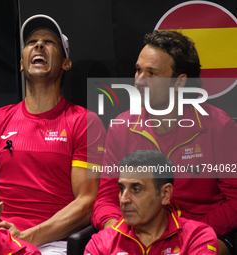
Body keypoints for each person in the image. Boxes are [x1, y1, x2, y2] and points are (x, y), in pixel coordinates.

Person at [91, 30, 237, 255]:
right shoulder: (121, 126)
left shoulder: (219, 126)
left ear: (179, 82)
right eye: (138, 70)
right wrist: (117, 231)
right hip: (136, 235)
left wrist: (187, 232)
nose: (139, 81)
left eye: (152, 73)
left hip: (200, 236)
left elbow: (235, 201)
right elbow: (106, 199)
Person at [0, 14, 106, 254]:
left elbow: (87, 203)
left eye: (49, 42)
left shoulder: (85, 123)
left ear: (66, 63)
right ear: (22, 63)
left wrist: (26, 237)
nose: (39, 45)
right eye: (31, 42)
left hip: (51, 243)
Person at [85, 150, 219, 255]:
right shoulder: (101, 243)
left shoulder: (197, 237)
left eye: (136, 189)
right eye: (121, 189)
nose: (124, 199)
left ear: (165, 194)